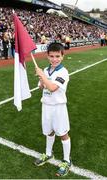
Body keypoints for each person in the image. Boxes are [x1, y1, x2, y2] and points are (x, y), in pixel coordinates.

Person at [34, 42, 71, 177]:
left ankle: (67, 160)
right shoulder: (45, 70)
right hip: (46, 106)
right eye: (51, 56)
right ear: (47, 56)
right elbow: (42, 87)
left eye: (57, 56)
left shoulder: (63, 72)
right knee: (48, 132)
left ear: (62, 56)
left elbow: (53, 88)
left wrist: (43, 77)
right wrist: (41, 77)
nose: (54, 59)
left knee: (62, 133)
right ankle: (48, 154)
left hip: (58, 108)